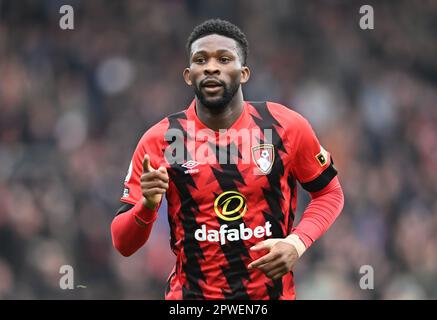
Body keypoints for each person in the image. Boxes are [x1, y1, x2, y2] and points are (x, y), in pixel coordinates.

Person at [111, 18, 344, 300]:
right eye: (200, 60)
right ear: (188, 74)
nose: (211, 67)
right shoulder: (161, 139)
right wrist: (147, 206)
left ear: (244, 72)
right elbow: (123, 243)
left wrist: (297, 242)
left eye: (223, 59)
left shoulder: (284, 127)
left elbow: (330, 193)